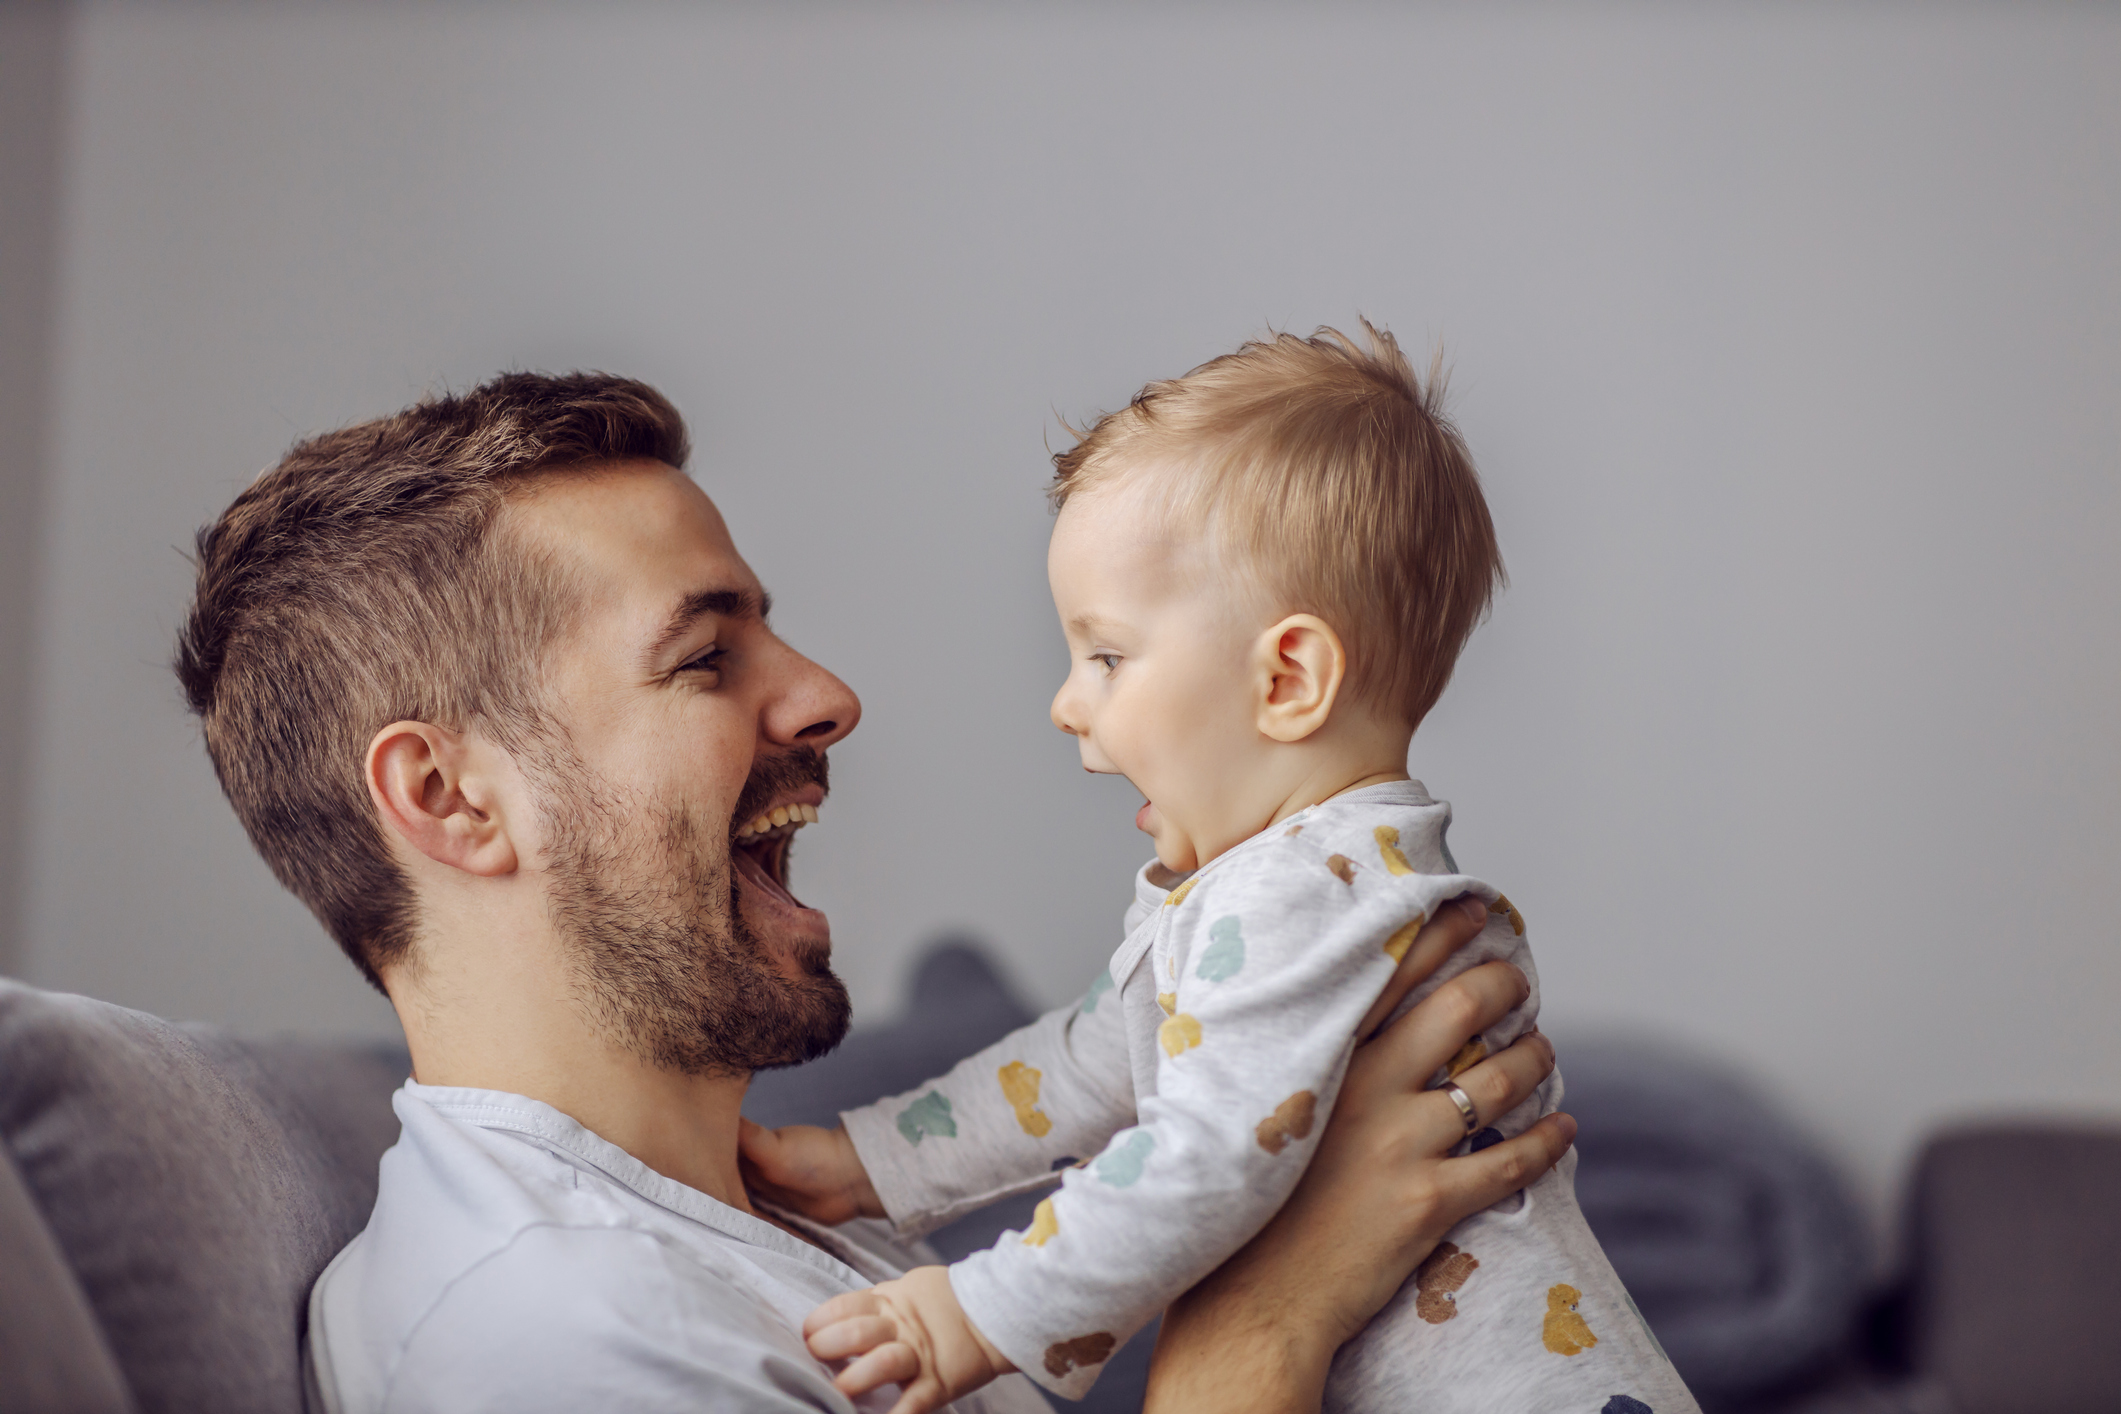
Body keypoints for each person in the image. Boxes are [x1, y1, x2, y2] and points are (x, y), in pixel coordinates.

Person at [173, 372, 1574, 1413]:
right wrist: (1267, 1313)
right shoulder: (548, 1338)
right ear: (450, 798)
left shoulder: (762, 1218)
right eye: (704, 659)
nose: (829, 695)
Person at [744, 326, 1691, 1414]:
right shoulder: (1279, 886)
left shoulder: (1306, 893)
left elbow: (1203, 1164)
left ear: (1287, 678)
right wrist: (867, 1163)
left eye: (1105, 656)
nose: (1067, 704)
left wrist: (976, 1312)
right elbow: (1079, 1066)